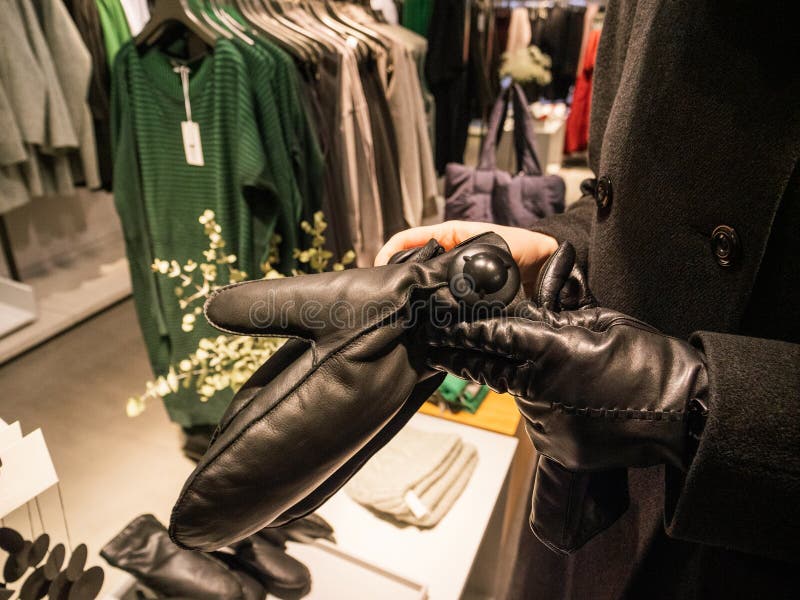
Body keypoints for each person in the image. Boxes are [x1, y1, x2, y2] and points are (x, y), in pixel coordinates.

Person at [375, 0, 800, 597]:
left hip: (746, 531)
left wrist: (692, 404)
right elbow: (612, 190)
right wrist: (552, 246)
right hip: (589, 480)